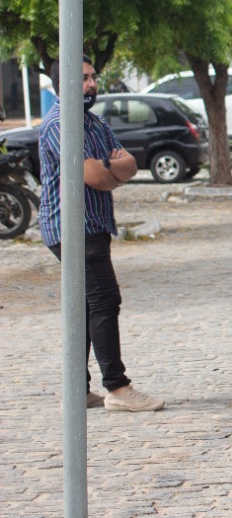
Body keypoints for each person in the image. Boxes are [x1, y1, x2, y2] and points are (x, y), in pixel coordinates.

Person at [37, 57, 165, 413]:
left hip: (93, 225)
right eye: (83, 79)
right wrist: (110, 171)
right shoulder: (60, 124)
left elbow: (129, 165)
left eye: (93, 77)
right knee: (105, 301)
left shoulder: (93, 122)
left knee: (85, 307)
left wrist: (108, 170)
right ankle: (118, 388)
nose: (92, 84)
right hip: (72, 228)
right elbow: (93, 176)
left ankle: (77, 390)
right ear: (62, 84)